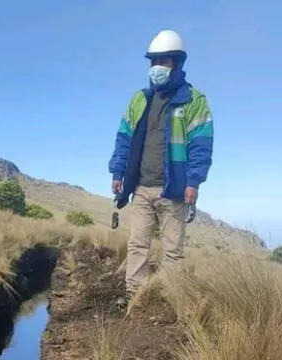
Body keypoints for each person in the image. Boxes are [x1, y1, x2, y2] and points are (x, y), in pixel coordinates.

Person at [108, 30, 214, 308]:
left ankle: (170, 300)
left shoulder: (194, 101)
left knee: (173, 252)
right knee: (137, 245)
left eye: (164, 62)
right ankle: (135, 296)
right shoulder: (139, 99)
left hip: (174, 190)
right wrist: (118, 173)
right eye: (154, 62)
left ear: (177, 65)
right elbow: (124, 138)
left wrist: (194, 182)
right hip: (141, 188)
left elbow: (201, 146)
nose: (157, 68)